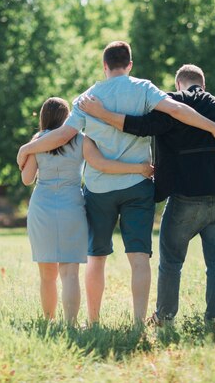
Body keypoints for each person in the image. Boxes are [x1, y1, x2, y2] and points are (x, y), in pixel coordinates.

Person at [17, 41, 215, 325]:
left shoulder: (87, 98)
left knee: (96, 257)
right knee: (139, 257)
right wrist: (213, 126)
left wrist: (26, 149)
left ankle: (93, 321)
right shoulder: (144, 88)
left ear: (104, 66)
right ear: (130, 64)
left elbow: (62, 135)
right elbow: (178, 110)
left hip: (99, 190)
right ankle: (139, 322)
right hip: (138, 184)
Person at [79, 64, 215, 326]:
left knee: (171, 261)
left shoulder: (172, 103)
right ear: (204, 84)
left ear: (178, 83)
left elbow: (140, 126)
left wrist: (101, 113)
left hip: (185, 194)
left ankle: (165, 317)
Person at [21, 97, 153, 325]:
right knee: (69, 273)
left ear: (43, 118)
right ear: (66, 118)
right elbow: (102, 164)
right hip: (72, 206)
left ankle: (49, 321)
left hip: (42, 208)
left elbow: (26, 179)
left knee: (47, 275)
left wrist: (23, 155)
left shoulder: (36, 142)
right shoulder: (81, 140)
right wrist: (138, 168)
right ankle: (71, 324)